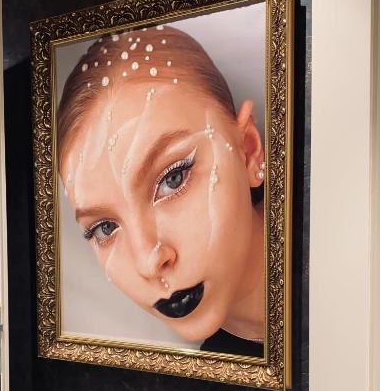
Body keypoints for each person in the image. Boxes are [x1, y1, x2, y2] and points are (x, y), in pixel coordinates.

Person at [58, 25, 265, 357]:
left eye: (173, 178)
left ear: (249, 150)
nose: (148, 261)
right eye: (105, 228)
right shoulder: (223, 365)